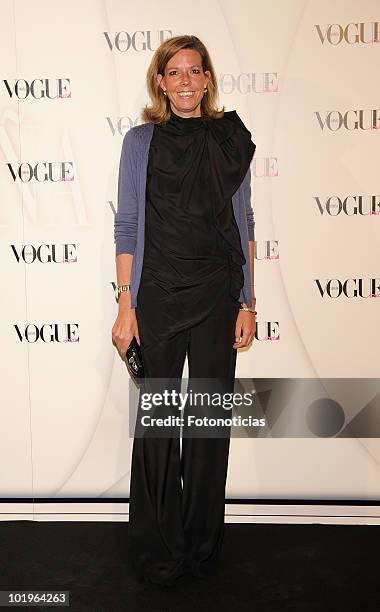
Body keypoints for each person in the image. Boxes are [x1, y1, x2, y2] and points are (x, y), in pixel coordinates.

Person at [112, 35, 257, 587]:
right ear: (161, 82)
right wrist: (126, 304)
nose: (186, 81)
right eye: (175, 72)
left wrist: (248, 300)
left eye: (195, 71)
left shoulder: (229, 140)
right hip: (159, 295)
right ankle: (157, 550)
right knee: (157, 425)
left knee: (207, 426)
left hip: (220, 293)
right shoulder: (140, 142)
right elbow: (127, 226)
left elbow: (244, 221)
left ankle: (200, 548)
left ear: (207, 79)